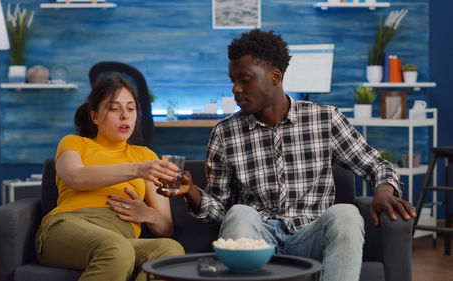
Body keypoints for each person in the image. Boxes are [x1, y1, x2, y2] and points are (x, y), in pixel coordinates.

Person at [161, 29, 416, 281]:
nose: (235, 89)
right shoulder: (225, 133)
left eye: (245, 80)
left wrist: (383, 192)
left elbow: (377, 165)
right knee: (239, 213)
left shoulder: (325, 119)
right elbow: (221, 211)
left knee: (347, 214)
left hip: (312, 235)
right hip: (256, 239)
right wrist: (192, 193)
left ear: (275, 76)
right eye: (232, 80)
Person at [35, 74, 185, 281]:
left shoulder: (145, 157)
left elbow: (165, 228)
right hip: (67, 227)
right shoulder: (74, 143)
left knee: (170, 251)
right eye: (114, 109)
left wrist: (147, 214)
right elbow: (75, 177)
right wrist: (137, 170)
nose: (125, 116)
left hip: (119, 239)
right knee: (117, 249)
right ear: (95, 117)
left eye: (131, 109)